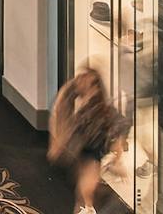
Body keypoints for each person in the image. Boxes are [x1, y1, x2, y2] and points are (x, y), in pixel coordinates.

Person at [48, 68, 129, 214]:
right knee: (84, 189)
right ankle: (88, 206)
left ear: (94, 86)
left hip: (94, 150)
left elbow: (113, 128)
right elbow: (62, 107)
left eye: (83, 79)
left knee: (85, 188)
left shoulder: (98, 109)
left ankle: (88, 207)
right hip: (89, 150)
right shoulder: (82, 104)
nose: (78, 81)